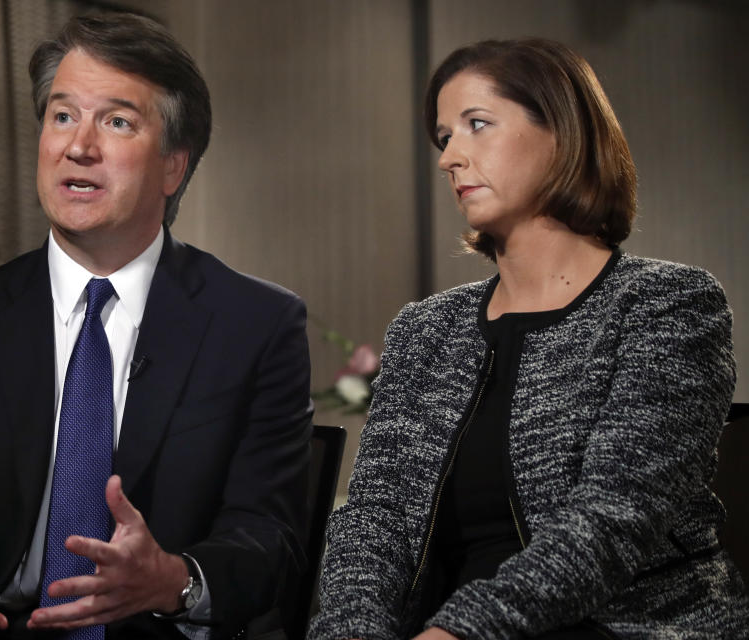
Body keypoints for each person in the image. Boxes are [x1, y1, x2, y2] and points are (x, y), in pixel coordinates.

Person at [0, 13, 312, 640]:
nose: (77, 146)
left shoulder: (257, 325)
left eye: (116, 121)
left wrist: (172, 579)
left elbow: (271, 543)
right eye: (61, 116)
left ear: (173, 167)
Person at [309, 38, 749, 639]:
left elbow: (616, 520)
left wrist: (456, 635)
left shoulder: (665, 304)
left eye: (477, 125)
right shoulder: (424, 331)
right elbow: (373, 525)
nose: (449, 158)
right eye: (444, 137)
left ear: (562, 134)